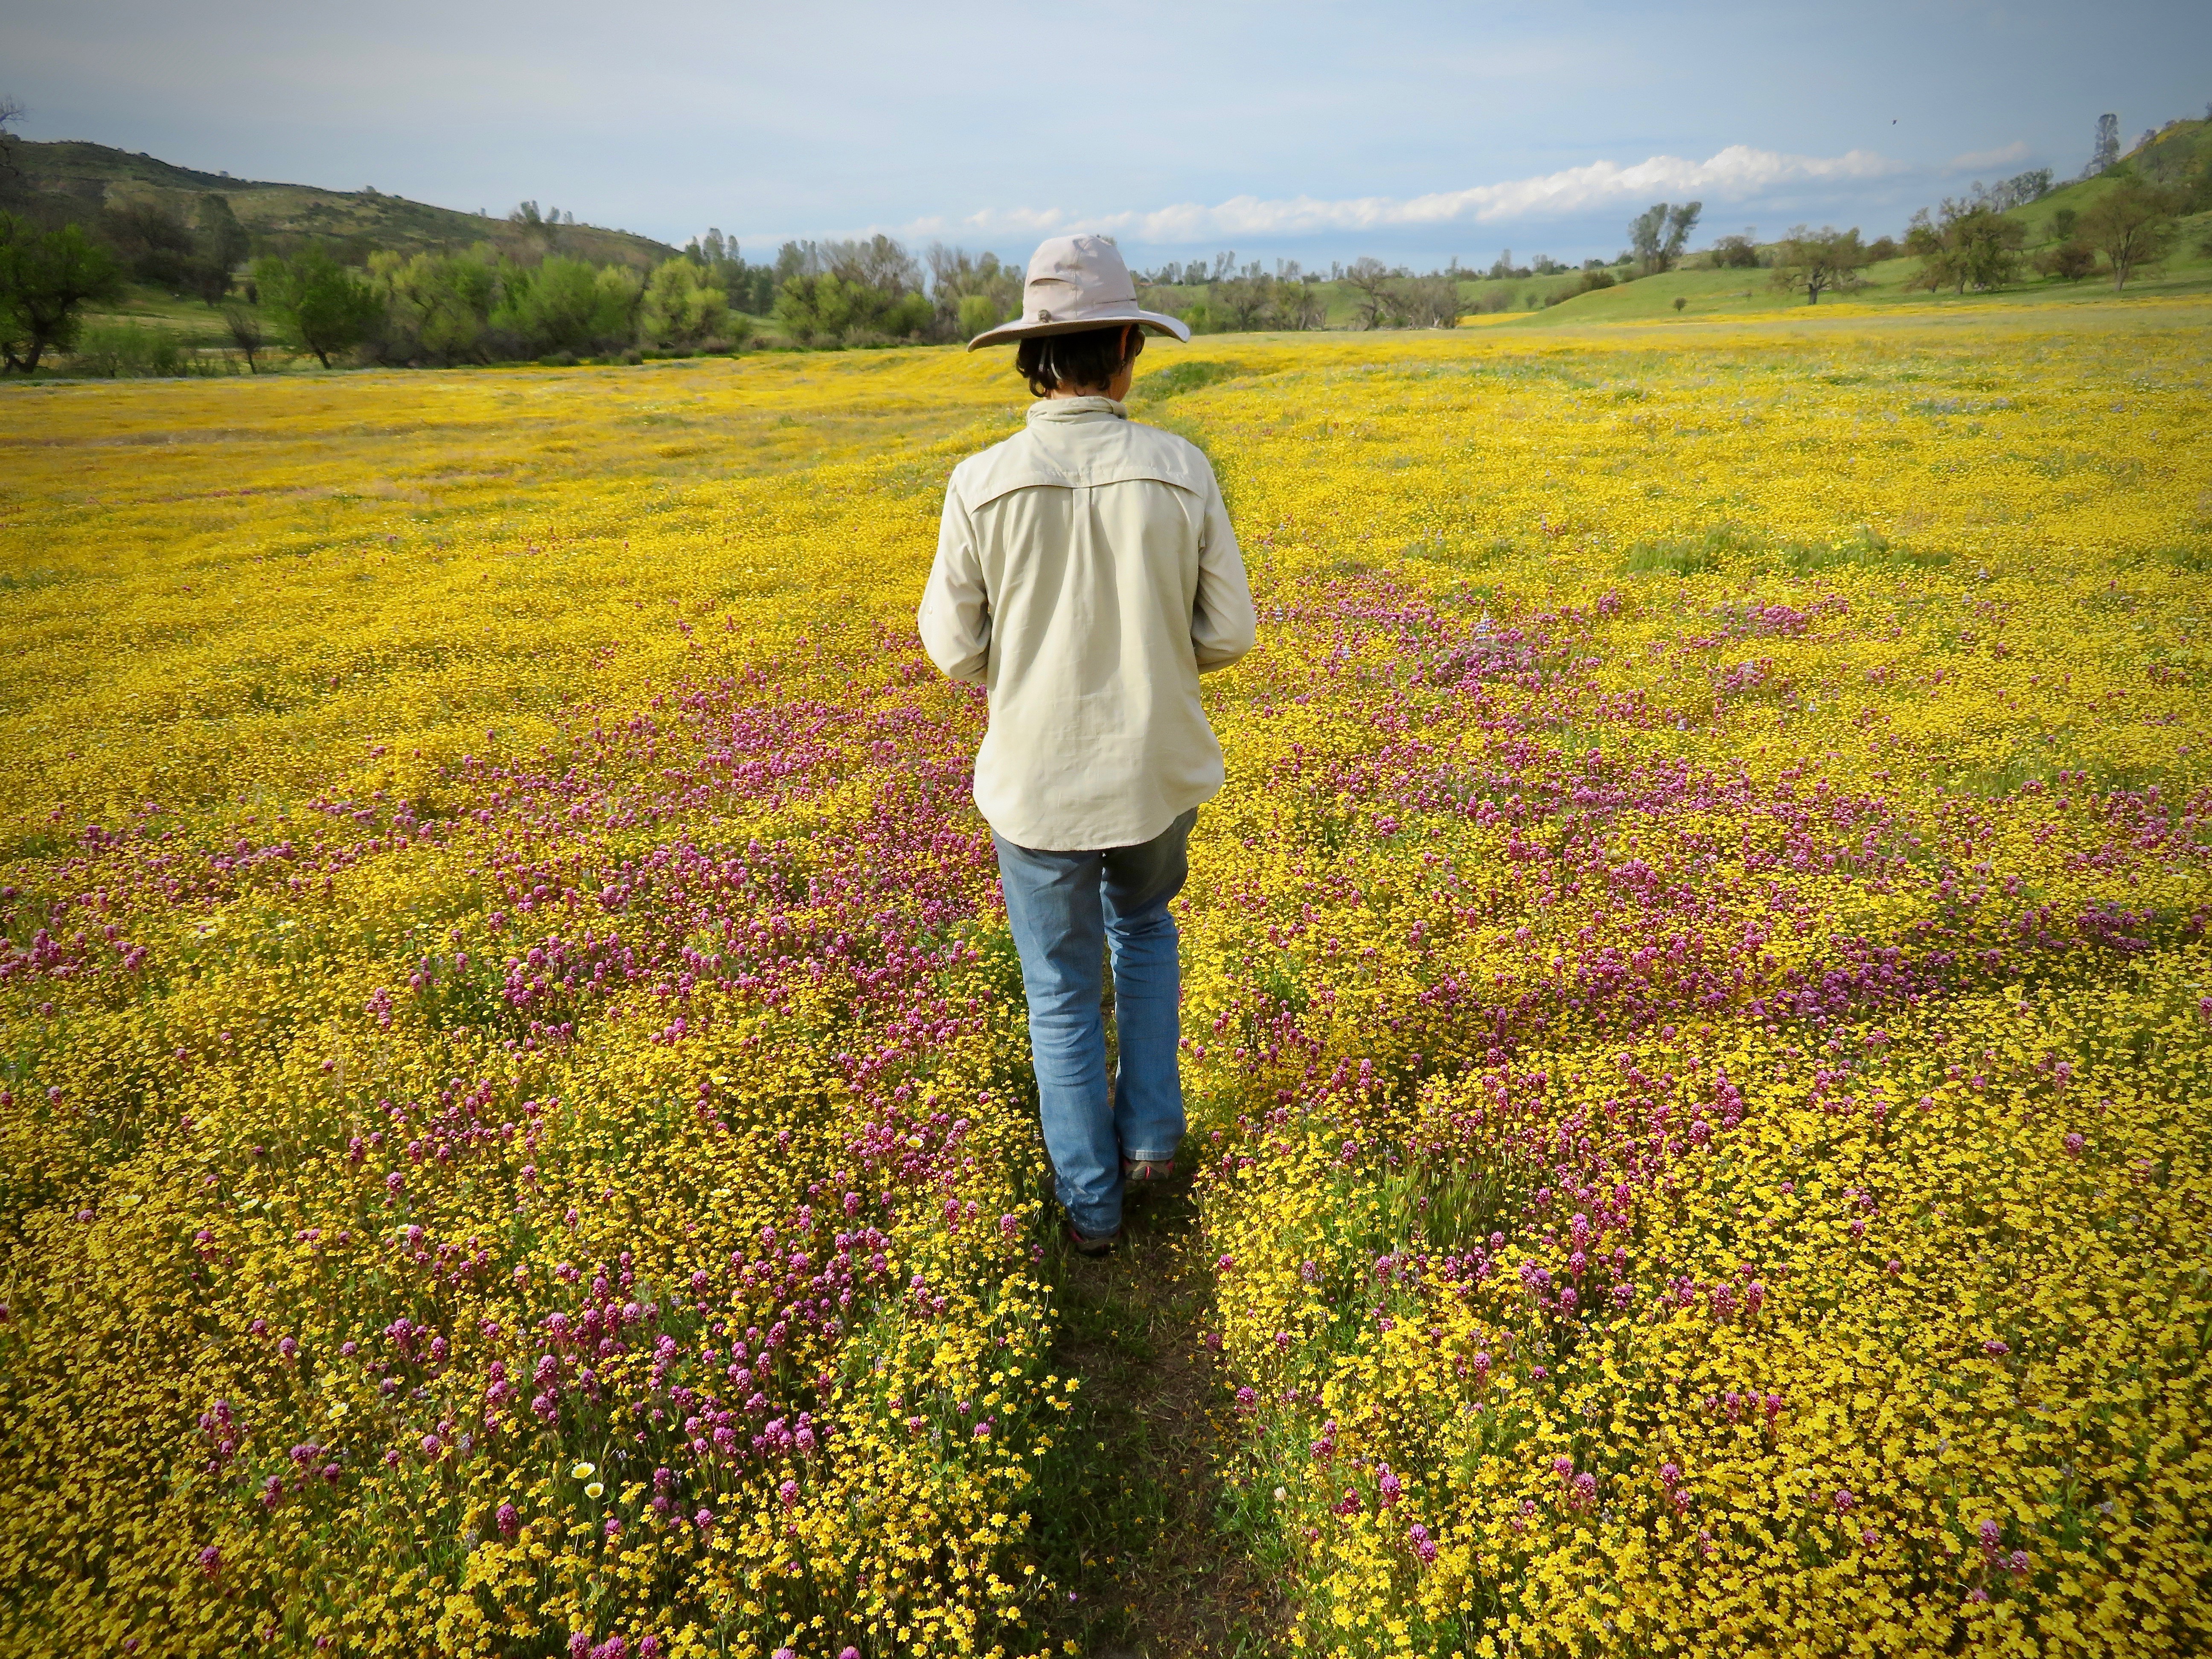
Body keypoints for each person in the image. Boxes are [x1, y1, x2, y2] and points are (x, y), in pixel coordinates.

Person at [917, 234, 1258, 1255]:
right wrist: (1159, 650)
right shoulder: (1180, 469)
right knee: (1146, 932)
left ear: (1033, 360)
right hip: (1154, 769)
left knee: (1061, 991)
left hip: (1036, 781)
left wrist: (1020, 674)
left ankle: (1093, 1206)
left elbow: (951, 647)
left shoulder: (979, 482)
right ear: (1125, 350)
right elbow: (1230, 632)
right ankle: (1153, 1142)